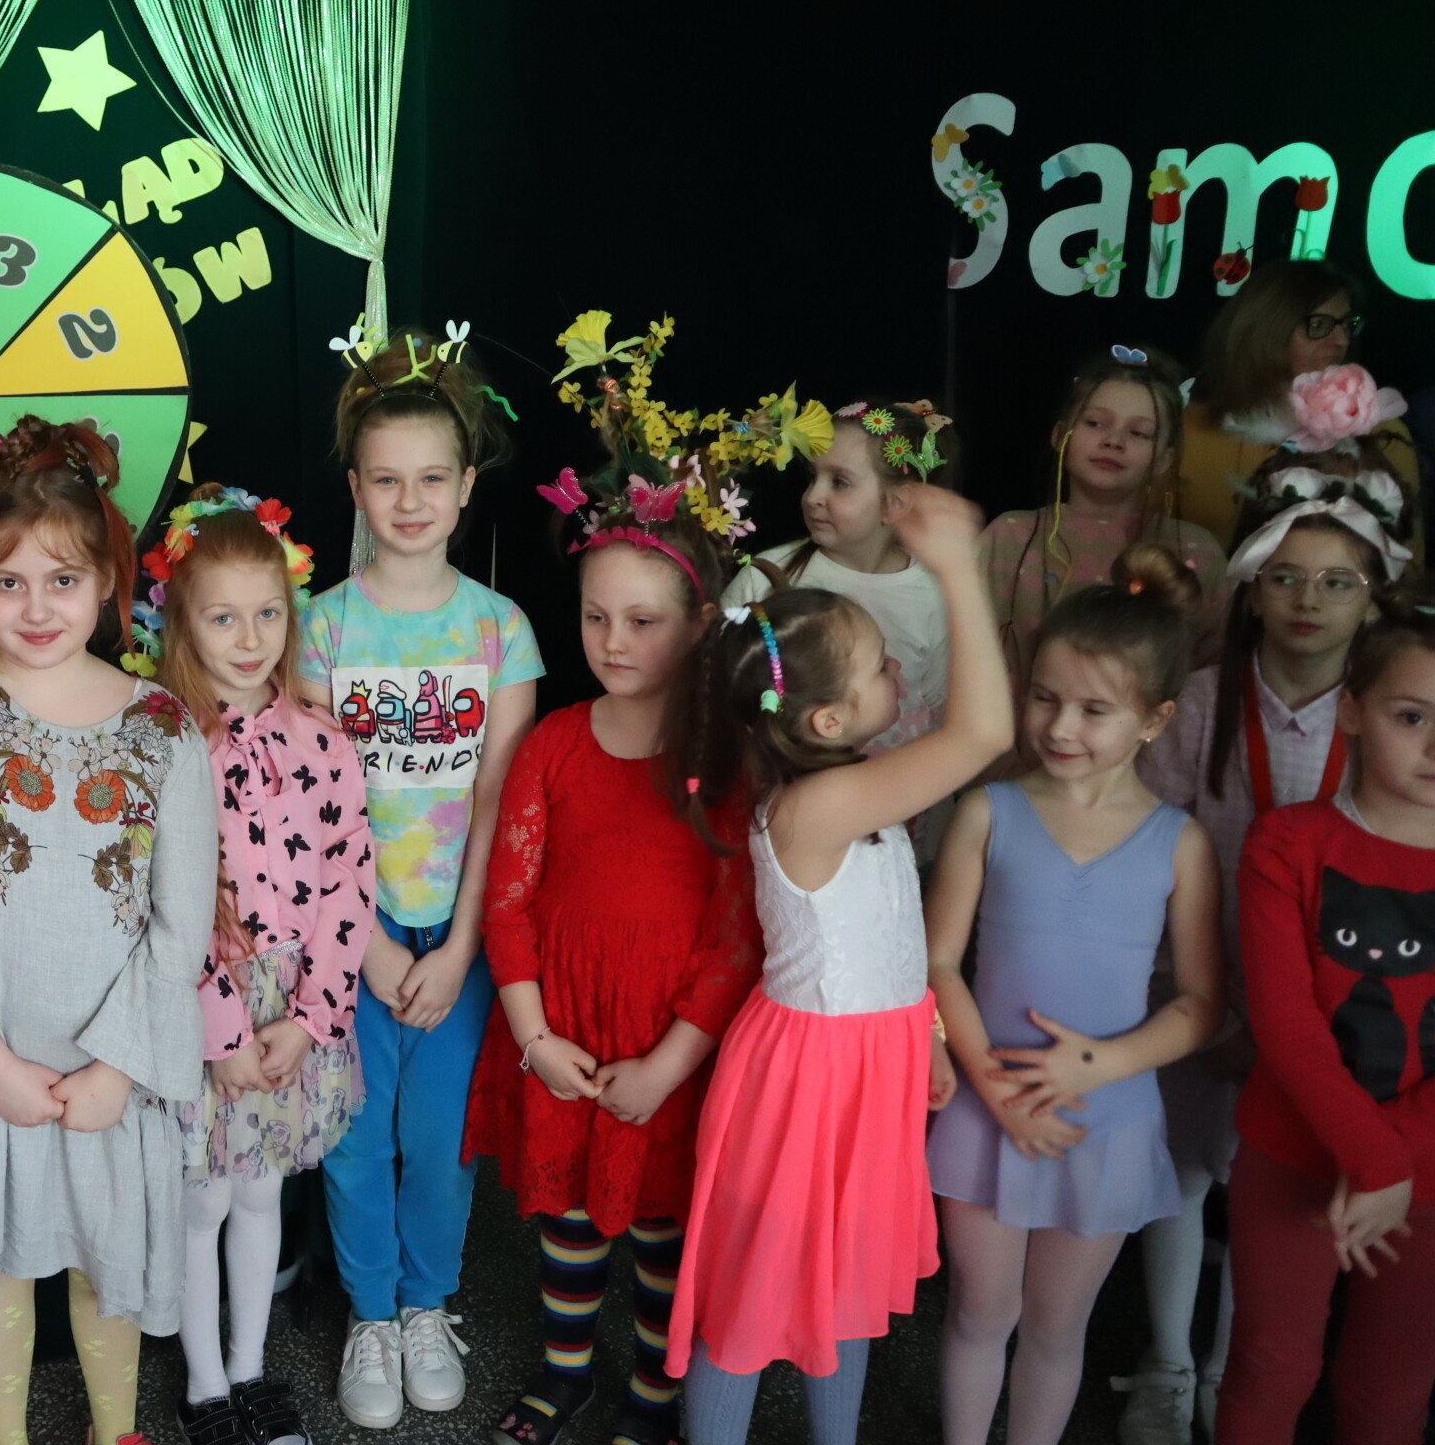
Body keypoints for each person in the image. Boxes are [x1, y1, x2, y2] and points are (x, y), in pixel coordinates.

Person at [0, 419, 213, 1445]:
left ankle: (117, 1432)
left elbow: (180, 926)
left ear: (108, 582)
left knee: (108, 1264)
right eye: (8, 581)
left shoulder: (164, 727)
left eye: (62, 580)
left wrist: (115, 1069)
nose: (35, 607)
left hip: (117, 1068)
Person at [666, 481, 1014, 1445]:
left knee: (846, 1285)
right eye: (877, 665)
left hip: (866, 1066)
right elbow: (985, 734)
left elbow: (887, 941)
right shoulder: (822, 806)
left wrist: (925, 1033)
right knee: (754, 1294)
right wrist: (957, 567)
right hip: (810, 1081)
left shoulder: (850, 791)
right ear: (825, 720)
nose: (898, 668)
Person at [1117, 440, 1414, 1444]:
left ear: (1373, 599)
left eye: (1337, 582)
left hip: (1322, 1017)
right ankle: (1165, 1362)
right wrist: (1205, 1009)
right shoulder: (1199, 702)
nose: (1307, 600)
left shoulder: (1385, 721)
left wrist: (1283, 1031)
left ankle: (1227, 1366)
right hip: (1196, 985)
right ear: (1249, 587)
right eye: (1284, 576)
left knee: (1271, 1194)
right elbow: (1147, 854)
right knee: (1178, 1173)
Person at [469, 475, 757, 1445]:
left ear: (700, 624)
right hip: (566, 1034)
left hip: (669, 1044)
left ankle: (653, 1395)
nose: (614, 642)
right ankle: (566, 1378)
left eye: (642, 621)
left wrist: (670, 1063)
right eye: (596, 618)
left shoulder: (725, 765)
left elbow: (739, 937)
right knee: (570, 1220)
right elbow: (508, 902)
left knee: (661, 1227)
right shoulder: (553, 744)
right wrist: (533, 1038)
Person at [924, 546, 1224, 1445]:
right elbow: (937, 963)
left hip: (1108, 1118)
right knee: (980, 1313)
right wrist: (995, 1087)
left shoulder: (1181, 843)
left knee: (1059, 1329)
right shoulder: (989, 811)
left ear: (1155, 719)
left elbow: (1202, 1003)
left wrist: (1100, 1064)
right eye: (1046, 697)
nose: (1061, 725)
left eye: (1095, 709)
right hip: (987, 1105)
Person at [298, 325, 541, 1430]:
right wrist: (368, 945)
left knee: (439, 1141)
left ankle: (428, 1303)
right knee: (356, 1139)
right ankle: (370, 1315)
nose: (410, 501)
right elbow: (313, 808)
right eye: (386, 480)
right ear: (356, 486)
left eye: (431, 479)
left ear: (466, 484)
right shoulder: (322, 628)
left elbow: (499, 802)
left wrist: (460, 947)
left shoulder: (501, 631)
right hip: (352, 934)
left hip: (458, 936)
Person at [137, 484, 370, 1445]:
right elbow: (156, 901)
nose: (249, 638)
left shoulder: (323, 741)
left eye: (267, 614)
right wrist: (222, 1031)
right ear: (181, 620)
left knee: (261, 1192)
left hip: (292, 1006)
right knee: (200, 1201)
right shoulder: (159, 743)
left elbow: (350, 882)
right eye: (223, 617)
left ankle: (251, 1371)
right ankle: (203, 1388)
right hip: (203, 1011)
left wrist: (310, 1019)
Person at [1215, 586, 1435, 1445]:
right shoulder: (1289, 842)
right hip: (1293, 1150)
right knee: (1272, 1366)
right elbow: (1287, 1023)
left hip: (1427, 1167)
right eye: (1412, 717)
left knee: (1392, 1383)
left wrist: (1394, 1159)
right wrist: (1374, 1158)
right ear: (1352, 712)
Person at [724, 398, 955, 858]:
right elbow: (719, 689)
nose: (813, 496)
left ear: (895, 502)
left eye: (840, 482)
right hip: (779, 820)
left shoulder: (934, 594)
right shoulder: (766, 576)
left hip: (892, 822)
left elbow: (938, 711)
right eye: (813, 477)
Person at [982, 346, 1227, 687]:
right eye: (1095, 424)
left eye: (1138, 433)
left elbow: (1215, 669)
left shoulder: (1195, 548)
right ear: (1060, 436)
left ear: (1164, 459)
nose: (1114, 441)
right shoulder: (1009, 536)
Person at [1186, 256, 1420, 553]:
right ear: (1264, 331)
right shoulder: (1189, 429)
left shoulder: (1382, 435)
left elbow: (1407, 559)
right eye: (1319, 325)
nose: (1341, 341)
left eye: (1348, 325)